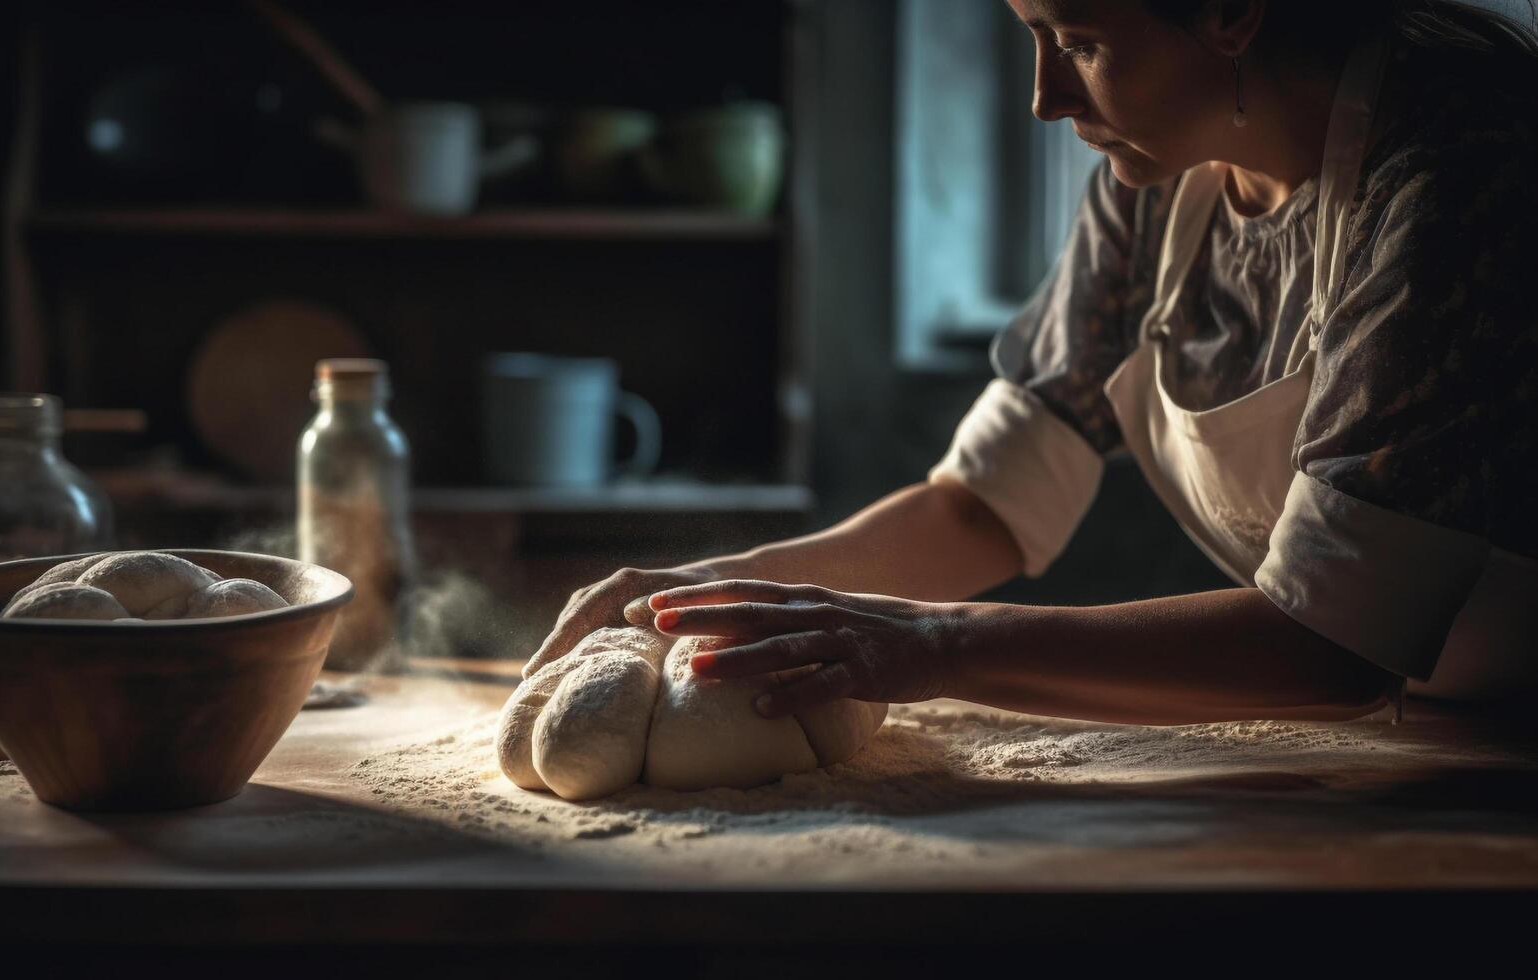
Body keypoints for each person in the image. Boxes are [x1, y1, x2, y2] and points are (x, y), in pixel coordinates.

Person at [525, 0, 1538, 727]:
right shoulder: (1155, 165)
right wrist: (704, 590)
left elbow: (1329, 645)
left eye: (1079, 40)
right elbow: (982, 505)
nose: (1044, 99)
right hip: (1415, 731)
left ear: (1231, 12)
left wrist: (928, 645)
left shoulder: (1459, 176)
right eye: (1032, 38)